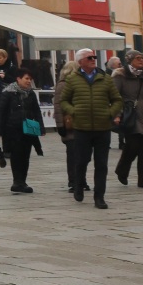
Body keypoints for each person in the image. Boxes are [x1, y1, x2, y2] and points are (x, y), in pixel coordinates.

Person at [56, 47, 121, 208]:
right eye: (89, 58)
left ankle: (99, 197)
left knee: (101, 164)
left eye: (94, 57)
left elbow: (117, 100)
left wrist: (110, 113)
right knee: (81, 161)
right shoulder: (72, 79)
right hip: (81, 128)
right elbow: (63, 101)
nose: (93, 59)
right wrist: (74, 112)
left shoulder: (105, 79)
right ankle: (78, 185)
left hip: (102, 128)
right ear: (80, 62)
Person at [113, 50, 143, 189]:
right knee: (132, 145)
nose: (142, 61)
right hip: (130, 114)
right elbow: (115, 96)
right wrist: (117, 113)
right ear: (130, 60)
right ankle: (122, 170)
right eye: (138, 58)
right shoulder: (120, 75)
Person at [0, 68, 45, 193]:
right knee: (16, 156)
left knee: (25, 156)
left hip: (28, 128)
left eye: (30, 79)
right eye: (26, 78)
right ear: (18, 79)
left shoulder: (30, 93)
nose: (29, 81)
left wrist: (41, 127)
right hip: (12, 129)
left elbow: (36, 111)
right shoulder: (8, 92)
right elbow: (1, 112)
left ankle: (23, 181)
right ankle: (17, 181)